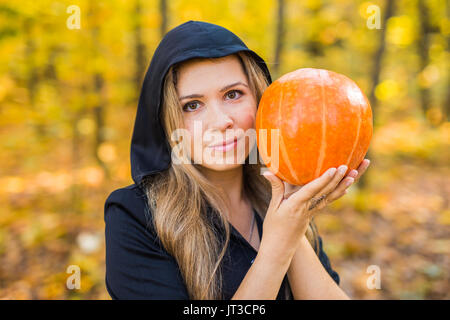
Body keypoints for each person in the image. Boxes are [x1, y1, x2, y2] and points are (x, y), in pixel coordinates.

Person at [104, 20, 370, 300]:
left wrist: (292, 217)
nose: (221, 122)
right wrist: (278, 244)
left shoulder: (282, 201)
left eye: (233, 95)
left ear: (260, 100)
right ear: (168, 120)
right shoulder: (134, 216)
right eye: (192, 105)